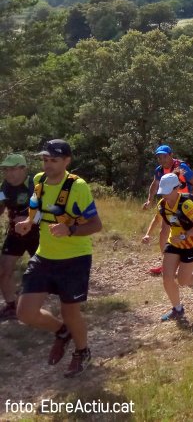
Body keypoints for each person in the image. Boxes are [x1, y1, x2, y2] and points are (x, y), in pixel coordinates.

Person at [16, 140, 102, 377]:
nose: (48, 164)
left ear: (67, 161)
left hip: (74, 258)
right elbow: (37, 210)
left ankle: (82, 350)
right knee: (25, 313)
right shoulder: (38, 181)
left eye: (54, 160)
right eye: (45, 159)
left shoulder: (78, 186)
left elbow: (96, 225)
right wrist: (27, 222)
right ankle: (63, 332)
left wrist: (70, 229)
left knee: (70, 311)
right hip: (44, 256)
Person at [143, 173, 193, 321]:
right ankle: (177, 309)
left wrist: (184, 235)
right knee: (167, 277)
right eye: (163, 191)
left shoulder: (186, 204)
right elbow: (157, 219)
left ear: (177, 188)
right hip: (174, 243)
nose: (164, 194)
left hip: (192, 245)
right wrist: (148, 234)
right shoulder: (162, 204)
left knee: (183, 281)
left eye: (167, 191)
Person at [143, 145, 193, 276]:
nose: (162, 159)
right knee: (163, 231)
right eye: (159, 157)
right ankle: (167, 263)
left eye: (164, 156)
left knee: (184, 232)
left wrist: (190, 198)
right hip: (169, 205)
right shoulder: (159, 170)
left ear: (171, 155)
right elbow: (155, 184)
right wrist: (150, 200)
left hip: (183, 206)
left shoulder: (182, 167)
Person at [0, 154, 37, 320]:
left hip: (37, 234)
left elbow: (49, 211)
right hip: (15, 234)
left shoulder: (35, 185)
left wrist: (30, 219)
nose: (9, 173)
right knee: (3, 270)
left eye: (13, 169)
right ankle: (11, 306)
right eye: (6, 169)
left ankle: (68, 302)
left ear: (23, 169)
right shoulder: (4, 187)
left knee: (48, 271)